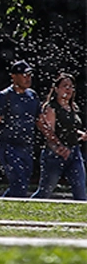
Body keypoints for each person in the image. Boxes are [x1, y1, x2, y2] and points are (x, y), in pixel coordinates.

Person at [0, 60, 41, 197]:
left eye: (29, 75)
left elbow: (40, 122)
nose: (28, 78)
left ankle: (4, 207)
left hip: (27, 146)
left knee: (22, 183)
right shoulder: (3, 97)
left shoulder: (32, 96)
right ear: (13, 76)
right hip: (8, 145)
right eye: (24, 75)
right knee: (19, 183)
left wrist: (55, 140)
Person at [31, 72, 87, 201]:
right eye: (65, 86)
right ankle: (26, 207)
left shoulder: (72, 107)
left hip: (74, 151)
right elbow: (49, 132)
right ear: (56, 89)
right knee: (45, 191)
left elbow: (70, 128)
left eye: (71, 86)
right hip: (55, 153)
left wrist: (81, 134)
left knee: (80, 190)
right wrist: (59, 147)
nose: (68, 89)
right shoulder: (51, 108)